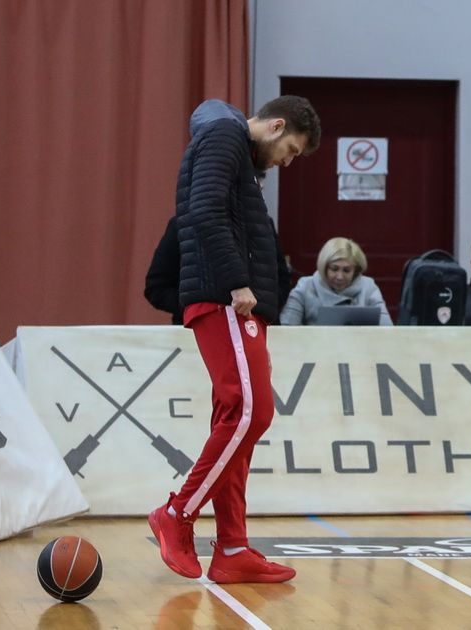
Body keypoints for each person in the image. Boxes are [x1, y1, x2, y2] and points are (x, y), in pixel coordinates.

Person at [147, 95, 320, 585]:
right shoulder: (226, 135)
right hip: (227, 298)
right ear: (277, 126)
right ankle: (176, 514)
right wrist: (237, 282)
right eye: (291, 150)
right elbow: (203, 213)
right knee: (251, 413)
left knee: (236, 421)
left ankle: (233, 548)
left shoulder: (234, 149)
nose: (288, 161)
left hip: (236, 301)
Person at [144, 213, 292, 325]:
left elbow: (282, 280)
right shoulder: (182, 225)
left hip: (257, 327)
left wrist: (261, 308)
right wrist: (200, 309)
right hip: (197, 333)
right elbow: (157, 288)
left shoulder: (263, 223)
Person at [280, 237, 392, 325]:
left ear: (356, 270)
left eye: (346, 270)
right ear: (324, 267)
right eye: (334, 269)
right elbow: (286, 328)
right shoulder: (305, 286)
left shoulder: (368, 287)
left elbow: (387, 329)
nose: (340, 277)